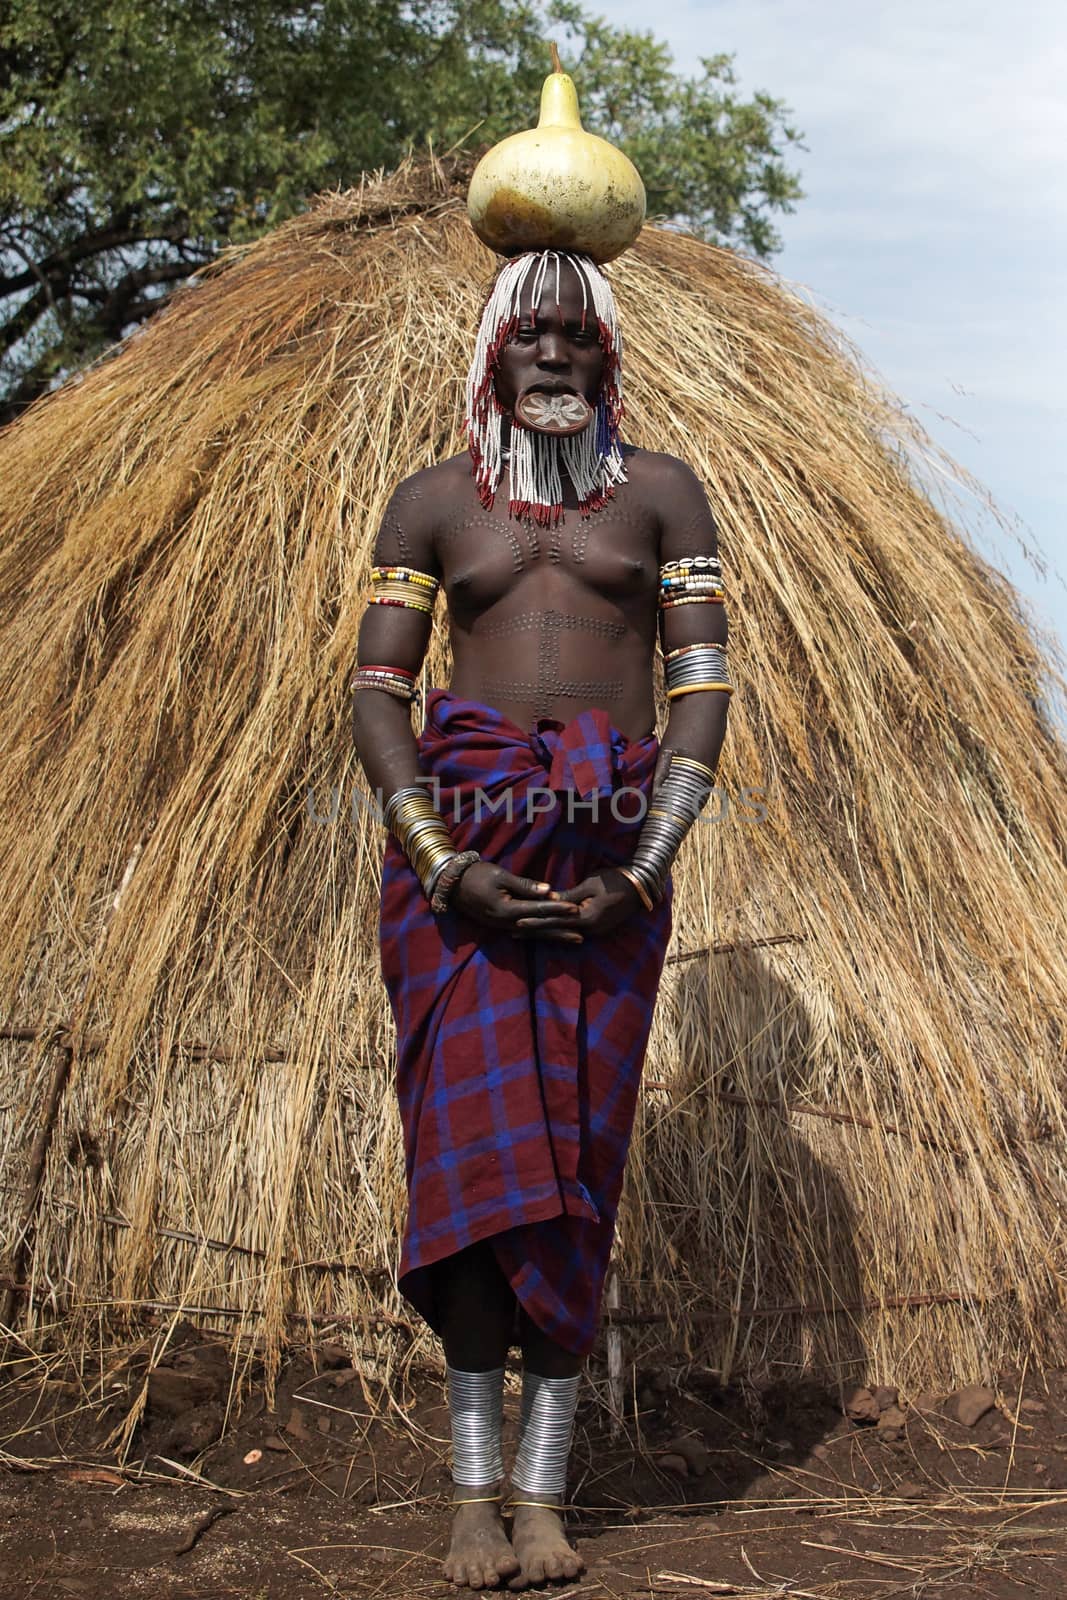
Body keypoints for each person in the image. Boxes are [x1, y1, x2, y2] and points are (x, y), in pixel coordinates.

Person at [351, 247, 732, 1591]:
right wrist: (441, 859)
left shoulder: (666, 498)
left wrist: (643, 866)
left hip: (610, 868)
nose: (555, 356)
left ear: (606, 352)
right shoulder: (434, 507)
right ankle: (469, 1499)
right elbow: (379, 694)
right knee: (468, 1179)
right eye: (532, 337)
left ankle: (544, 1493)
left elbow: (698, 686)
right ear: (493, 356)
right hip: (458, 883)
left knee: (577, 1173)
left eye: (577, 334)